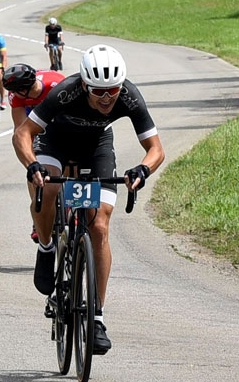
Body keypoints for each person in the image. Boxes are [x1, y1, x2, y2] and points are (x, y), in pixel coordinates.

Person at [11, 44, 165, 354]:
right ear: (84, 84)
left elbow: (156, 149)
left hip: (97, 147)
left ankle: (96, 318)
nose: (107, 98)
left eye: (112, 90)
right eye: (98, 92)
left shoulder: (129, 96)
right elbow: (23, 133)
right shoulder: (65, 92)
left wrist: (143, 170)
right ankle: (46, 247)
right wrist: (32, 165)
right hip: (56, 141)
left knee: (99, 226)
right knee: (50, 191)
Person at [3, 63, 66, 242]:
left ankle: (72, 204)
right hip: (34, 117)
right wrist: (31, 161)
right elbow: (21, 130)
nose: (13, 94)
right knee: (34, 167)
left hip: (59, 113)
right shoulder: (17, 96)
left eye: (16, 91)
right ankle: (37, 212)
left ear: (23, 89)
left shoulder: (55, 84)